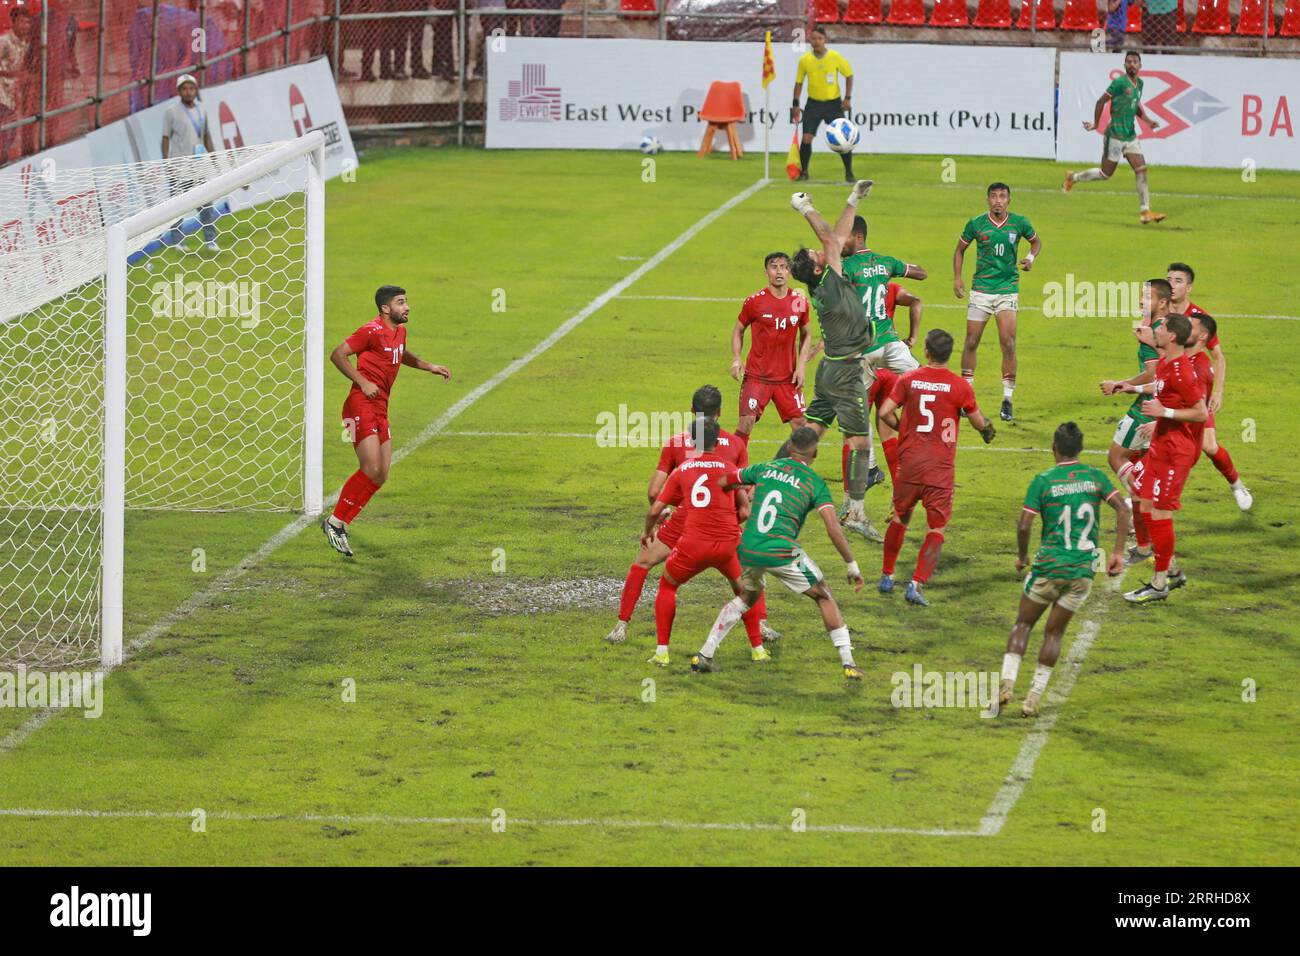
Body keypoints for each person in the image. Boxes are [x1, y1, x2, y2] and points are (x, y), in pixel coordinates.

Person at [691, 426, 867, 680]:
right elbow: (832, 528)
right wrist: (851, 564)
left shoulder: (764, 468)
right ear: (815, 452)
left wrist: (740, 500)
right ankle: (848, 664)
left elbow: (726, 480)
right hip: (779, 550)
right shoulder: (814, 483)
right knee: (824, 594)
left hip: (749, 548)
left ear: (788, 446)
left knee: (747, 596)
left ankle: (705, 655)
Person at [606, 385, 777, 646]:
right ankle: (761, 627)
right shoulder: (736, 445)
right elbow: (745, 493)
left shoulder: (676, 443)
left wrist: (668, 509)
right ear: (720, 412)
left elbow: (654, 491)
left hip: (685, 518)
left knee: (642, 562)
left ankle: (621, 626)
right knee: (747, 576)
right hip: (722, 523)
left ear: (691, 410)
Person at [997, 422, 1130, 718]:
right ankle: (1032, 698)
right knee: (1054, 634)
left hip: (1048, 566)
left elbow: (1024, 524)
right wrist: (1118, 553)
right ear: (1080, 449)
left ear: (1053, 448)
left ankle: (1006, 684)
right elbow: (1123, 509)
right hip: (1082, 572)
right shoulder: (1095, 477)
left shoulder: (1044, 481)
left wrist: (1022, 556)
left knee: (1023, 625)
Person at [323, 286, 452, 556]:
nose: (407, 307)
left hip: (381, 407)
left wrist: (429, 366)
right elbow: (338, 355)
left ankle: (341, 523)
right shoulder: (369, 331)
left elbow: (400, 352)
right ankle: (335, 522)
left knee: (381, 474)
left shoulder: (399, 331)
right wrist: (363, 381)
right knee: (369, 468)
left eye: (406, 302)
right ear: (385, 308)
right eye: (401, 303)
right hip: (359, 405)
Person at [876, 329, 996, 606]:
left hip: (909, 465)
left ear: (927, 352)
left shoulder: (908, 379)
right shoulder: (959, 386)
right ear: (949, 354)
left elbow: (884, 412)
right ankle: (916, 585)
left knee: (900, 518)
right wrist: (988, 430)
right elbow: (980, 423)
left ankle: (887, 576)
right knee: (936, 528)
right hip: (939, 469)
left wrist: (902, 428)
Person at [788, 180, 878, 541]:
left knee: (811, 432)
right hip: (846, 372)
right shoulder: (830, 279)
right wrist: (806, 208)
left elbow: (835, 239)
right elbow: (830, 239)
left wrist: (853, 198)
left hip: (829, 370)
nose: (820, 250)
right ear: (816, 266)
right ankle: (855, 512)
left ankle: (781, 475)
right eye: (814, 252)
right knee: (860, 443)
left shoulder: (825, 278)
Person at [643, 419, 768, 668]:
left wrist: (647, 531)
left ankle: (662, 653)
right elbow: (744, 511)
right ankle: (758, 650)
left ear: (692, 441)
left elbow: (656, 507)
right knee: (746, 592)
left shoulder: (684, 469)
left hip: (693, 545)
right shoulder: (729, 468)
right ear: (717, 440)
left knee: (668, 586)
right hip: (728, 545)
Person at [1121, 314, 1207, 603]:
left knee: (1160, 512)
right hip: (1160, 444)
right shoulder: (1167, 363)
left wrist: (1164, 414)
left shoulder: (1183, 371)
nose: (1157, 330)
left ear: (1171, 336)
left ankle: (1159, 584)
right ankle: (1171, 568)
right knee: (1144, 501)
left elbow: (1200, 412)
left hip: (1176, 452)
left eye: (1162, 328)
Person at [953, 182, 1042, 422]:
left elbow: (1036, 242)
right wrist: (958, 279)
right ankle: (966, 396)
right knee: (971, 341)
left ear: (1009, 200)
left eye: (1002, 196)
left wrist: (1030, 258)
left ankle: (1007, 399)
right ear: (987, 200)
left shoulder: (1019, 223)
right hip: (981, 290)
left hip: (1007, 290)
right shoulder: (976, 224)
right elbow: (959, 250)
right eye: (993, 196)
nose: (998, 200)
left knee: (1008, 343)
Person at [1166, 263, 1252, 511]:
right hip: (1169, 381)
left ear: (1189, 287)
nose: (1172, 284)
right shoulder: (1161, 311)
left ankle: (1236, 485)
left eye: (1179, 280)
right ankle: (1142, 492)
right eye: (1169, 279)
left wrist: (1218, 391)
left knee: (1208, 445)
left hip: (1195, 383)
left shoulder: (1199, 320)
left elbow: (1219, 356)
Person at [1099, 279, 1171, 566]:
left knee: (1116, 457)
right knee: (1140, 462)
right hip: (1157, 408)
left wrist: (1122, 383)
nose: (1142, 301)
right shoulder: (1161, 326)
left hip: (1145, 409)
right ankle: (1143, 541)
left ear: (1162, 302)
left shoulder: (1156, 332)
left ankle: (1137, 499)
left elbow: (1154, 375)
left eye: (1147, 297)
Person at [1063, 50, 1166, 225]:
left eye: (1135, 61)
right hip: (1115, 135)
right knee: (1105, 174)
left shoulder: (1140, 84)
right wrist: (1096, 124)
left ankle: (1145, 212)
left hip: (1130, 135)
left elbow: (1135, 106)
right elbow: (1100, 101)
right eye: (1129, 61)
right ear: (1124, 65)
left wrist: (1147, 120)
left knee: (1141, 170)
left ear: (1140, 65)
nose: (1132, 64)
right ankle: (1073, 178)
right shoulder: (1119, 83)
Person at [731, 252, 813, 447]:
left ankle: (795, 472)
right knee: (745, 423)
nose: (779, 271)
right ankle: (737, 470)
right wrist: (736, 359)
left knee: (801, 427)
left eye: (784, 267)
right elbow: (738, 331)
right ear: (766, 272)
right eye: (774, 267)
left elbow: (807, 334)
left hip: (787, 379)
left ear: (790, 272)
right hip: (757, 377)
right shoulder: (754, 302)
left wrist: (801, 367)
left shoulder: (799, 301)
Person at [159, 74, 220, 255]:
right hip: (180, 169)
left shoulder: (202, 109)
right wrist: (167, 164)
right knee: (178, 207)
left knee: (206, 204)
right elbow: (165, 138)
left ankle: (211, 241)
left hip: (199, 167)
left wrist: (215, 158)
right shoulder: (171, 112)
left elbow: (207, 136)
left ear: (196, 89)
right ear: (179, 91)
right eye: (184, 88)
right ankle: (178, 241)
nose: (188, 92)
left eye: (191, 88)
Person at [790, 26, 855, 183]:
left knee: (843, 140)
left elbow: (849, 75)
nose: (817, 41)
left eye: (820, 38)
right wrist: (796, 104)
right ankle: (804, 172)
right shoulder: (805, 60)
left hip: (833, 104)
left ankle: (849, 173)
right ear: (810, 41)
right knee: (806, 138)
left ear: (825, 40)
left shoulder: (835, 57)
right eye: (814, 38)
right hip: (813, 104)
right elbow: (799, 82)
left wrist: (847, 98)